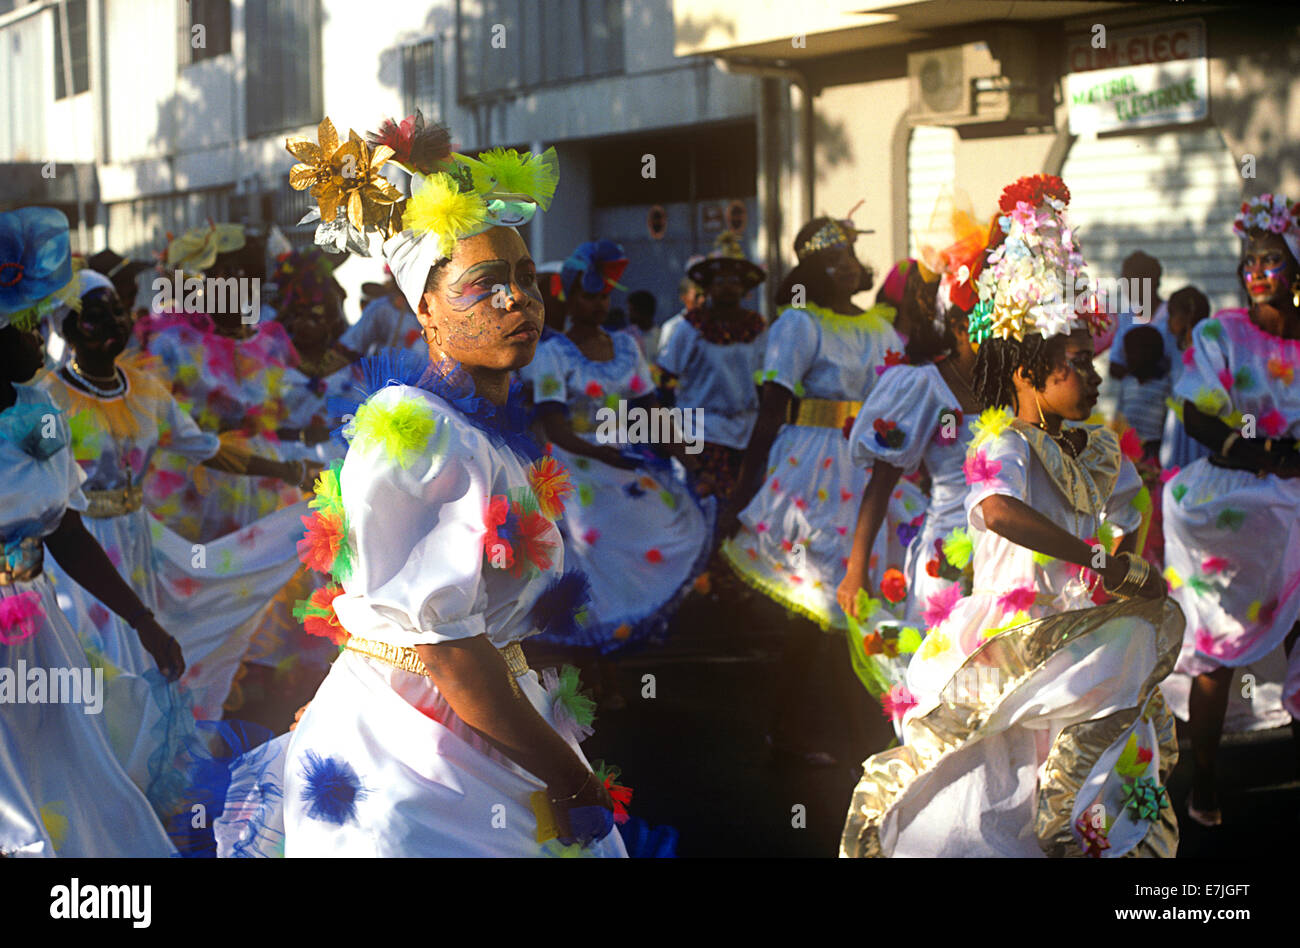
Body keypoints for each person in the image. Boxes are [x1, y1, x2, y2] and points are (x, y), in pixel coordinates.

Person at [276, 113, 625, 855]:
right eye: (484, 286)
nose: (517, 301)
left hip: (478, 719)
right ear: (426, 308)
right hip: (418, 749)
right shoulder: (418, 427)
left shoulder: (484, 427)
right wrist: (572, 780)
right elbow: (449, 650)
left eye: (528, 280)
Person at [841, 175, 1179, 858]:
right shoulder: (1000, 440)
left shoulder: (1089, 444)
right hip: (1014, 630)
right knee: (995, 785)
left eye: (1091, 362)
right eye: (1077, 364)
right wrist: (1099, 559)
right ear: (1027, 372)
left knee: (1075, 774)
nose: (1094, 377)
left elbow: (1130, 503)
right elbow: (996, 510)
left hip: (1082, 625)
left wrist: (1121, 557)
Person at [0, 207, 178, 856]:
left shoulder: (38, 409)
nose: (38, 337)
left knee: (71, 773)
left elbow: (64, 530)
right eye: (23, 324)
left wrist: (141, 620)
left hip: (37, 627)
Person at [718, 214, 919, 765]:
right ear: (810, 271)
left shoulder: (882, 329)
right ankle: (797, 730)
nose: (846, 266)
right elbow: (769, 412)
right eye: (832, 260)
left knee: (870, 600)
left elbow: (896, 406)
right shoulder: (799, 324)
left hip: (867, 467)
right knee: (821, 609)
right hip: (810, 472)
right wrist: (743, 494)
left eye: (850, 256)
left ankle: (862, 732)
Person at [1162, 192, 1300, 827]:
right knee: (1219, 650)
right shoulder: (1222, 333)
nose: (1258, 271)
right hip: (1233, 509)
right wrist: (1264, 452)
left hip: (1296, 504)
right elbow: (1195, 409)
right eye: (1250, 259)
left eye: (1273, 259)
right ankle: (1206, 777)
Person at [521, 240, 712, 670]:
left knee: (664, 527)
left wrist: (693, 461)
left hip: (622, 459)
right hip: (572, 465)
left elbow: (652, 413)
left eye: (605, 295)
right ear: (570, 297)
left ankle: (619, 645)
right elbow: (555, 427)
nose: (599, 304)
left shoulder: (627, 348)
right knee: (591, 543)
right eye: (590, 295)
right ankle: (584, 654)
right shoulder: (552, 352)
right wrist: (607, 455)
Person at [836, 233, 987, 719]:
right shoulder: (921, 383)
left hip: (1003, 552)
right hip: (945, 552)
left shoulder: (1010, 386)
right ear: (960, 325)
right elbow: (879, 486)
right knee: (937, 683)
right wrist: (856, 569)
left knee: (989, 680)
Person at [654, 233, 767, 506]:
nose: (727, 287)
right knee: (706, 509)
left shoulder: (758, 327)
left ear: (744, 287)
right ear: (707, 287)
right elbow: (663, 381)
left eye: (734, 281)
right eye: (720, 281)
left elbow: (766, 381)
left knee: (746, 510)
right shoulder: (689, 327)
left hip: (748, 433)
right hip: (700, 431)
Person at [1159, 286, 1212, 471]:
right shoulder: (1175, 347)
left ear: (1188, 316)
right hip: (1179, 420)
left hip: (1200, 419)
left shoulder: (1208, 346)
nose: (1168, 321)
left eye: (1172, 315)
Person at [1108, 250, 1175, 381]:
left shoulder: (1173, 315)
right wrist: (1139, 376)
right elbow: (1115, 364)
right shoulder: (1126, 317)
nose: (1126, 287)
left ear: (1150, 281)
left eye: (1131, 281)